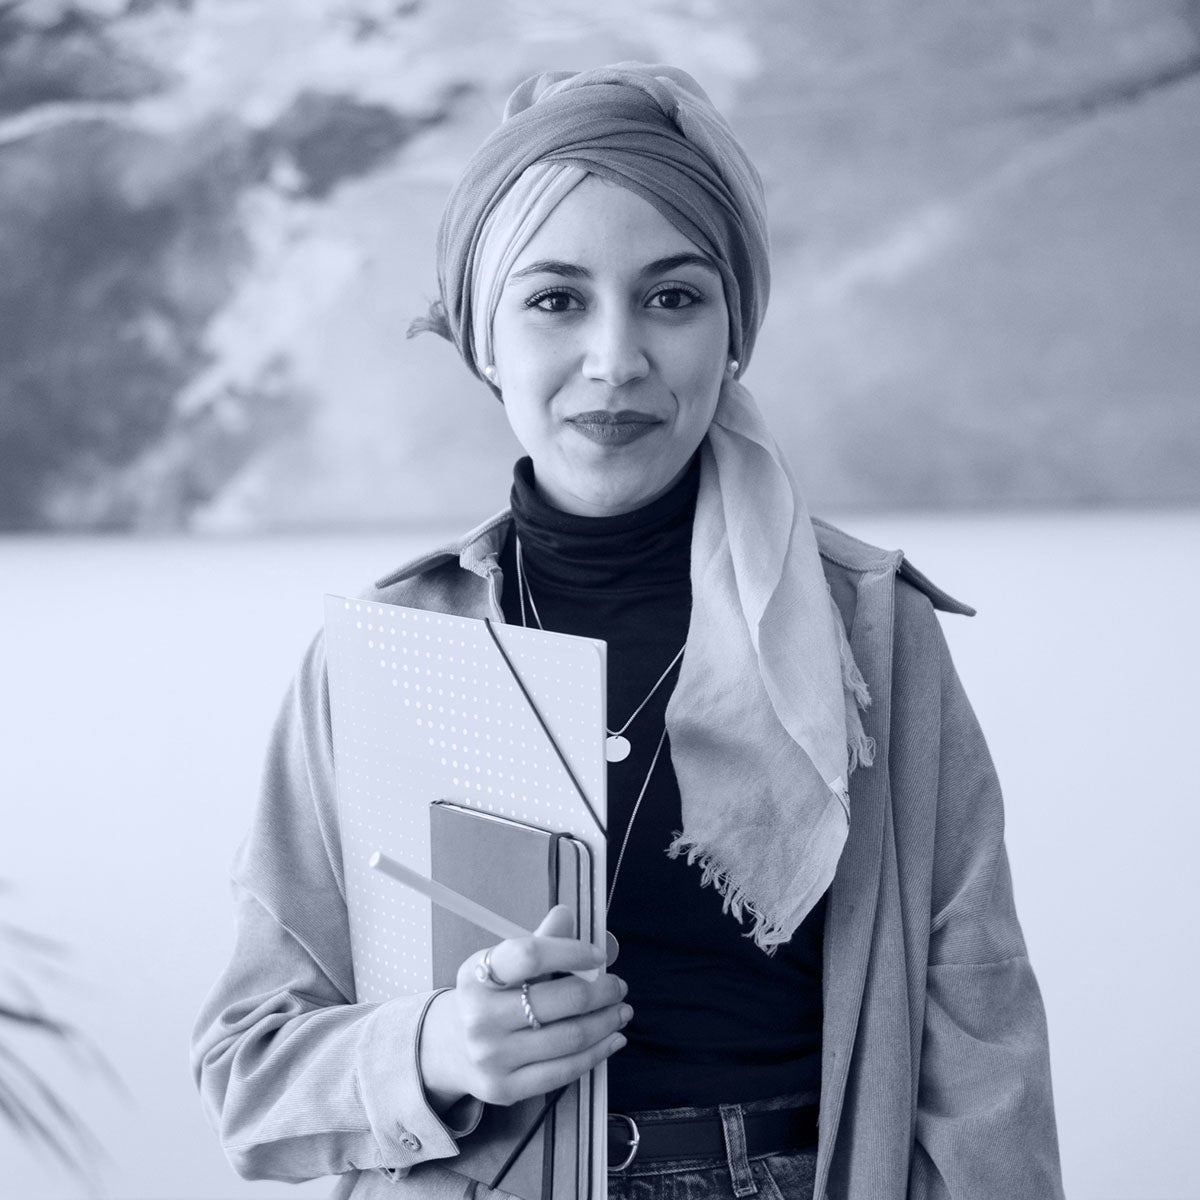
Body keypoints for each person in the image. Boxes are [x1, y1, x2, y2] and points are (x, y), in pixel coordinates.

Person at [192, 64, 1064, 1200]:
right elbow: (249, 1074)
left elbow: (985, 1049)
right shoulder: (388, 653)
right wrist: (439, 1050)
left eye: (673, 297)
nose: (617, 359)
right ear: (482, 337)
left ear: (733, 330)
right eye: (556, 300)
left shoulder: (873, 636)